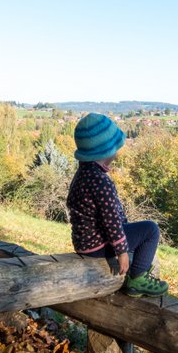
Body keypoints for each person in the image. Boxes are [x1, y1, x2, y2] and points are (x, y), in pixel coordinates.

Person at [67, 113, 168, 297]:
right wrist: (122, 252)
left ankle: (139, 265)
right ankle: (137, 278)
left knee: (133, 229)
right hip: (99, 246)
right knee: (150, 230)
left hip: (84, 243)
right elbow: (111, 221)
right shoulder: (100, 182)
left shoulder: (82, 175)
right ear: (106, 151)